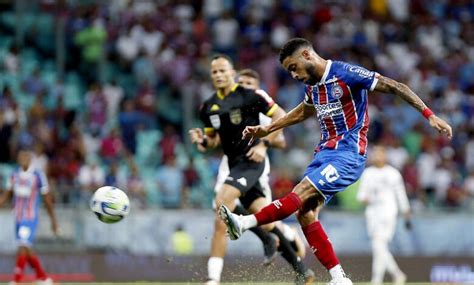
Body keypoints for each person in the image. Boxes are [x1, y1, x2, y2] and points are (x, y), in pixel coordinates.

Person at [218, 37, 452, 285]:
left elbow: (394, 85)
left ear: (307, 55)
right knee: (306, 213)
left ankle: (244, 223)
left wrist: (430, 115)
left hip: (349, 154)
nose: (294, 75)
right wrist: (269, 128)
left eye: (293, 67)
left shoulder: (346, 73)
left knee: (301, 191)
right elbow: (304, 111)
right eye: (289, 71)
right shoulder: (312, 85)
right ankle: (339, 278)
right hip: (324, 154)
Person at [189, 55, 315, 284]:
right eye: (214, 72)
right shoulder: (208, 107)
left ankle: (212, 280)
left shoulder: (251, 96)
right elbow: (213, 140)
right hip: (234, 165)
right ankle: (301, 271)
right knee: (265, 220)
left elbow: (280, 116)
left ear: (232, 72)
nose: (218, 75)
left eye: (222, 70)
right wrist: (202, 142)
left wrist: (263, 144)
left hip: (251, 163)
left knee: (222, 202)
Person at [0, 149, 59, 285]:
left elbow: (46, 198)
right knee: (26, 247)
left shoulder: (38, 175)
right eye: (21, 157)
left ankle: (16, 280)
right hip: (18, 217)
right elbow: (7, 195)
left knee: (23, 244)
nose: (23, 159)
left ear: (31, 159)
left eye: (26, 157)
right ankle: (43, 277)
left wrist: (53, 220)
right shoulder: (14, 174)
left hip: (30, 216)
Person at [357, 146, 411, 285]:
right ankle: (397, 274)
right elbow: (362, 195)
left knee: (378, 244)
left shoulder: (393, 173)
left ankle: (377, 280)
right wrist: (369, 198)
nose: (377, 157)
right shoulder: (368, 173)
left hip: (388, 212)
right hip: (372, 213)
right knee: (379, 246)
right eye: (375, 154)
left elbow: (400, 194)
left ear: (385, 156)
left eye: (380, 154)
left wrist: (406, 212)